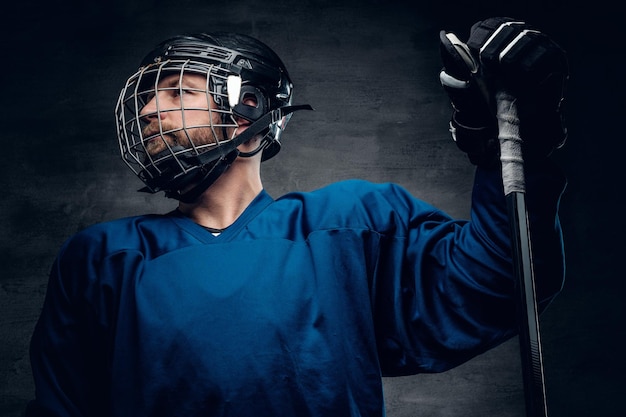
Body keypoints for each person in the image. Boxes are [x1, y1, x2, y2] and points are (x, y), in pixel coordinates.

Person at [26, 17, 568, 417]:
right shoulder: (102, 259)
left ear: (251, 112)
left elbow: (504, 281)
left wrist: (513, 148)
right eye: (150, 97)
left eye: (178, 91)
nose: (148, 110)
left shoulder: (350, 227)